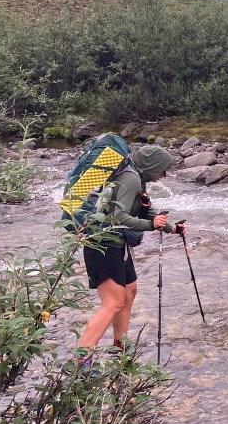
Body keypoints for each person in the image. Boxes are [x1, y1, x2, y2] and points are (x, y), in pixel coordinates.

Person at [77, 145, 186, 360]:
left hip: (117, 243)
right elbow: (119, 217)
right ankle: (82, 359)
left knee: (129, 292)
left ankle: (121, 348)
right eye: (162, 169)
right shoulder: (131, 178)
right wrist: (150, 225)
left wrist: (171, 228)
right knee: (113, 302)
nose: (164, 174)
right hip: (103, 244)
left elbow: (145, 209)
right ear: (152, 166)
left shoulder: (136, 177)